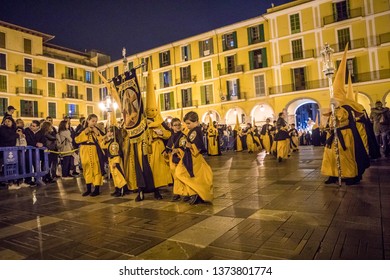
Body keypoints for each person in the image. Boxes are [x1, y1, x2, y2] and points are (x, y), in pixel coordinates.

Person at [173, 111, 213, 205]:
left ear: (196, 122)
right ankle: (191, 193)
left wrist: (191, 146)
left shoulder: (196, 130)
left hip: (194, 157)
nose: (187, 125)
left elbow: (198, 144)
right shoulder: (192, 130)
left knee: (186, 174)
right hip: (189, 156)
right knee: (184, 174)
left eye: (189, 123)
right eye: (186, 123)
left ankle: (194, 193)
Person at [75, 114, 105, 196]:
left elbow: (103, 140)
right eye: (92, 121)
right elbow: (76, 140)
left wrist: (98, 134)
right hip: (85, 151)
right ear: (88, 120)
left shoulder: (97, 129)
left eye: (95, 121)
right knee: (87, 169)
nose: (94, 123)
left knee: (96, 169)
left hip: (95, 151)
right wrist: (85, 132)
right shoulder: (82, 130)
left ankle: (96, 189)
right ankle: (88, 189)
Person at [101, 126, 130, 197]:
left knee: (118, 176)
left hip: (115, 160)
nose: (108, 133)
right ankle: (117, 189)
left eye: (110, 132)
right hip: (111, 160)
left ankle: (122, 189)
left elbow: (117, 153)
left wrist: (115, 162)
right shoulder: (111, 141)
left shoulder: (115, 142)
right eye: (108, 131)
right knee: (114, 176)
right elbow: (102, 146)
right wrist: (104, 139)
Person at [164, 118, 187, 201]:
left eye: (179, 124)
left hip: (180, 158)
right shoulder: (171, 137)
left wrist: (178, 150)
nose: (177, 126)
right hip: (172, 159)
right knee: (175, 177)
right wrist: (166, 152)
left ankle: (184, 193)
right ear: (172, 127)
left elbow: (186, 148)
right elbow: (168, 147)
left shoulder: (183, 136)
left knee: (181, 176)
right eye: (175, 125)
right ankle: (177, 193)